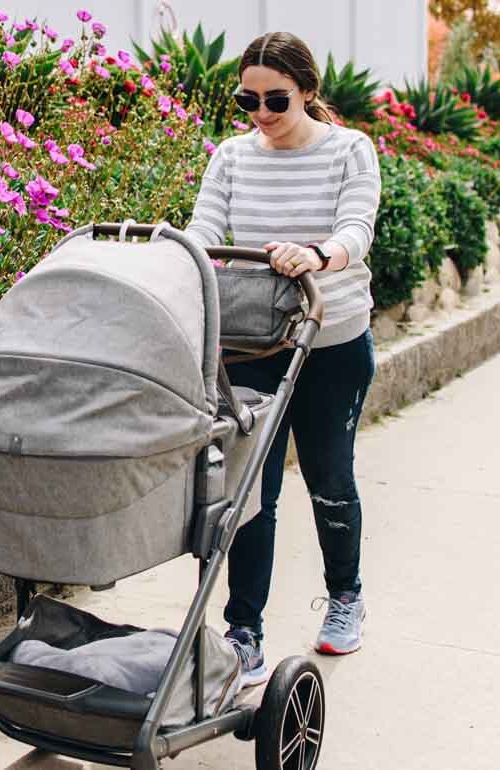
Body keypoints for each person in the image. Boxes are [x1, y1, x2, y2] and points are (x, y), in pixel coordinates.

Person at [186, 31, 380, 686]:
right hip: (255, 344)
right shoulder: (234, 156)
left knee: (329, 479)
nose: (262, 113)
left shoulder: (351, 151)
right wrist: (178, 257)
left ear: (307, 92)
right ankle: (245, 633)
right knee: (250, 494)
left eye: (277, 99)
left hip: (332, 342)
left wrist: (317, 255)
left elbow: (357, 228)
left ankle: (345, 598)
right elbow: (206, 227)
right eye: (249, 98)